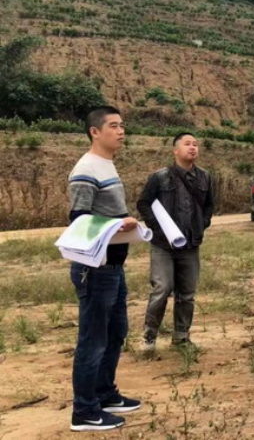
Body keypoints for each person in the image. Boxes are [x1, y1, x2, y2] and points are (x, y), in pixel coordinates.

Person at [67, 106, 141, 432]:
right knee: (93, 340)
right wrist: (117, 224)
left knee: (115, 333)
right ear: (95, 132)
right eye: (113, 126)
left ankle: (104, 393)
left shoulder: (106, 164)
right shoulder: (85, 169)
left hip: (113, 265)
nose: (121, 131)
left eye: (122, 125)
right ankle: (84, 411)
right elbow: (79, 220)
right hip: (95, 268)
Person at [137, 133, 214, 350]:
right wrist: (157, 227)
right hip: (163, 245)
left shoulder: (205, 177)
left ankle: (181, 337)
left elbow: (209, 205)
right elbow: (143, 203)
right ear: (175, 150)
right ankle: (149, 336)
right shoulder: (159, 177)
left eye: (195, 144)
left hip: (190, 244)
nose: (193, 147)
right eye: (187, 144)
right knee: (162, 288)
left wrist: (203, 223)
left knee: (187, 294)